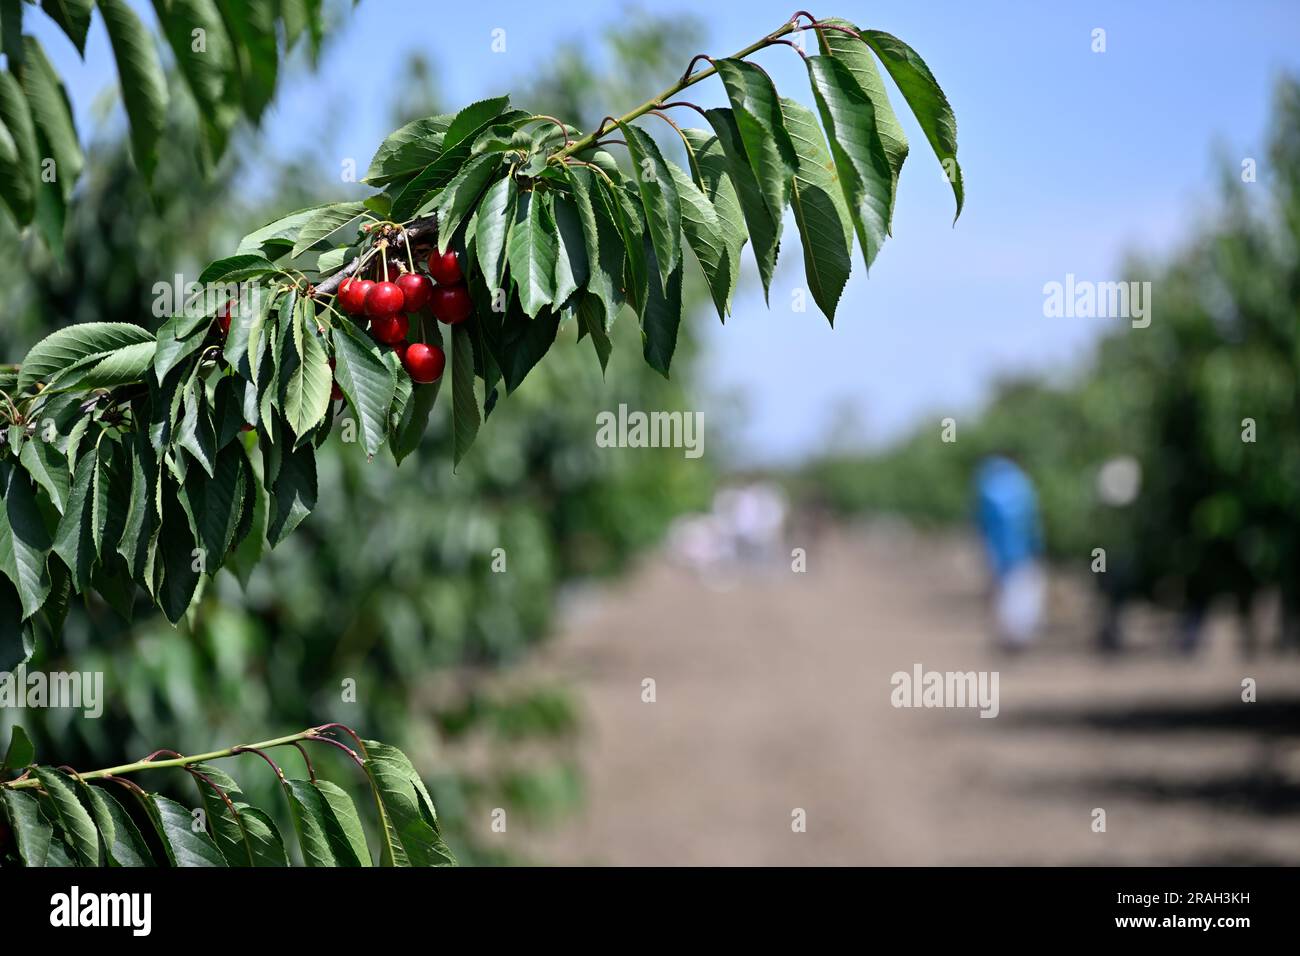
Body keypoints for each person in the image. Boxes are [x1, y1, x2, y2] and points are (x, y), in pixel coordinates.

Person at [973, 455, 1046, 650]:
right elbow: (1032, 522)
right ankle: (1017, 636)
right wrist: (1037, 546)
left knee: (1003, 591)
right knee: (1020, 591)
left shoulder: (987, 487)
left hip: (998, 550)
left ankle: (1009, 635)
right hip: (1022, 551)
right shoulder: (1023, 485)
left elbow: (981, 523)